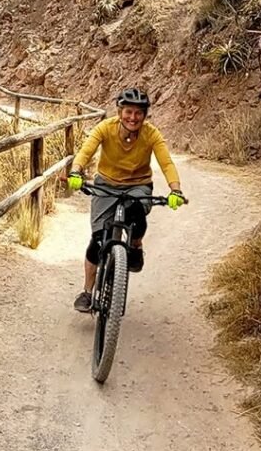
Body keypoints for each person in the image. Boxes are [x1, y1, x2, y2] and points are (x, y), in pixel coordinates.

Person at [66, 87, 185, 312]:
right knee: (97, 240)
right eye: (128, 112)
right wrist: (76, 171)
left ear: (145, 114)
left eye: (139, 113)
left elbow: (166, 163)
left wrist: (175, 190)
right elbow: (86, 150)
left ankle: (135, 247)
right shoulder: (105, 128)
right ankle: (87, 292)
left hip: (138, 185)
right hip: (106, 183)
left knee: (137, 213)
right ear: (120, 112)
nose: (133, 117)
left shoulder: (151, 134)